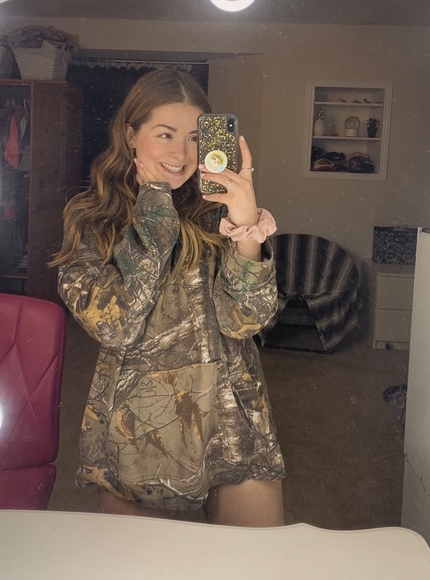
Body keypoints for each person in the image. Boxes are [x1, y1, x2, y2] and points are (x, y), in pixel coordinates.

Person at [51, 69, 285, 527]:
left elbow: (246, 321)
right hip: (140, 427)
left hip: (232, 416)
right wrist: (154, 205)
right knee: (144, 564)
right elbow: (115, 325)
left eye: (195, 137)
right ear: (130, 136)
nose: (181, 154)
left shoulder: (219, 213)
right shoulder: (93, 220)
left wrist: (246, 230)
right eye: (165, 134)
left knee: (259, 560)